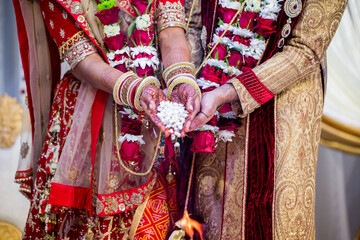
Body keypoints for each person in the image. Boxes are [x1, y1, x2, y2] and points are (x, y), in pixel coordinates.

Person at [13, 0, 201, 239]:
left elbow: (172, 34)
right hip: (90, 112)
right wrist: (135, 90)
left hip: (157, 110)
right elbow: (84, 60)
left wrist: (181, 79)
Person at [182, 0, 348, 239]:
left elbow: (306, 50)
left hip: (283, 104)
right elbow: (194, 21)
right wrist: (190, 88)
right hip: (209, 97)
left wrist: (228, 92)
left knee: (273, 217)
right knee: (211, 213)